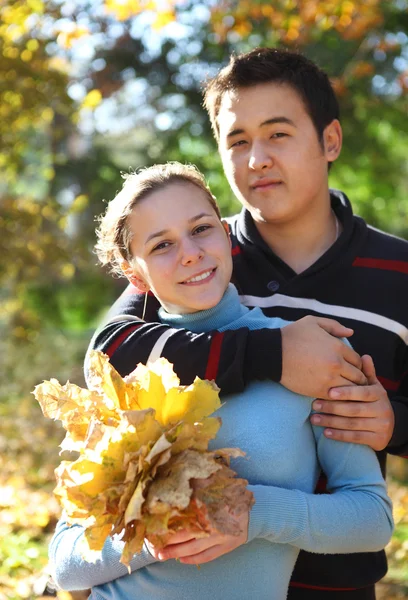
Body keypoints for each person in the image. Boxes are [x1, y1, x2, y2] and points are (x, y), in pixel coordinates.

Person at [85, 48, 408, 598]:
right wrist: (274, 355)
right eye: (237, 141)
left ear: (330, 141)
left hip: (334, 583)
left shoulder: (399, 273)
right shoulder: (197, 254)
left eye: (278, 134)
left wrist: (393, 424)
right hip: (178, 576)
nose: (256, 158)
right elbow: (111, 354)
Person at [49, 162, 393, 600]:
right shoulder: (125, 376)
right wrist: (158, 529)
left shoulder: (312, 356)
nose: (190, 253)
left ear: (227, 236)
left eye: (201, 229)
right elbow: (66, 562)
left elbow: (371, 520)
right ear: (135, 274)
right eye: (162, 245)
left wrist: (253, 515)